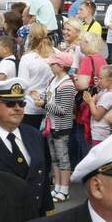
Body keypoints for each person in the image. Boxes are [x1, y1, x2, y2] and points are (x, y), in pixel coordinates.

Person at [0, 78, 54, 218]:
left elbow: (43, 176)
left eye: (22, 103)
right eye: (10, 103)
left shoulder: (34, 135)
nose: (18, 108)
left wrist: (48, 211)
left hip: (34, 219)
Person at [32, 50, 76, 202]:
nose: (50, 65)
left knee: (62, 158)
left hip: (61, 127)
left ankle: (64, 189)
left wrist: (44, 104)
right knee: (55, 158)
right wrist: (40, 97)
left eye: (53, 63)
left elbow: (63, 110)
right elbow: (48, 96)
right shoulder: (54, 80)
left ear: (61, 66)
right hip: (51, 125)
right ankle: (57, 186)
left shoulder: (67, 85)